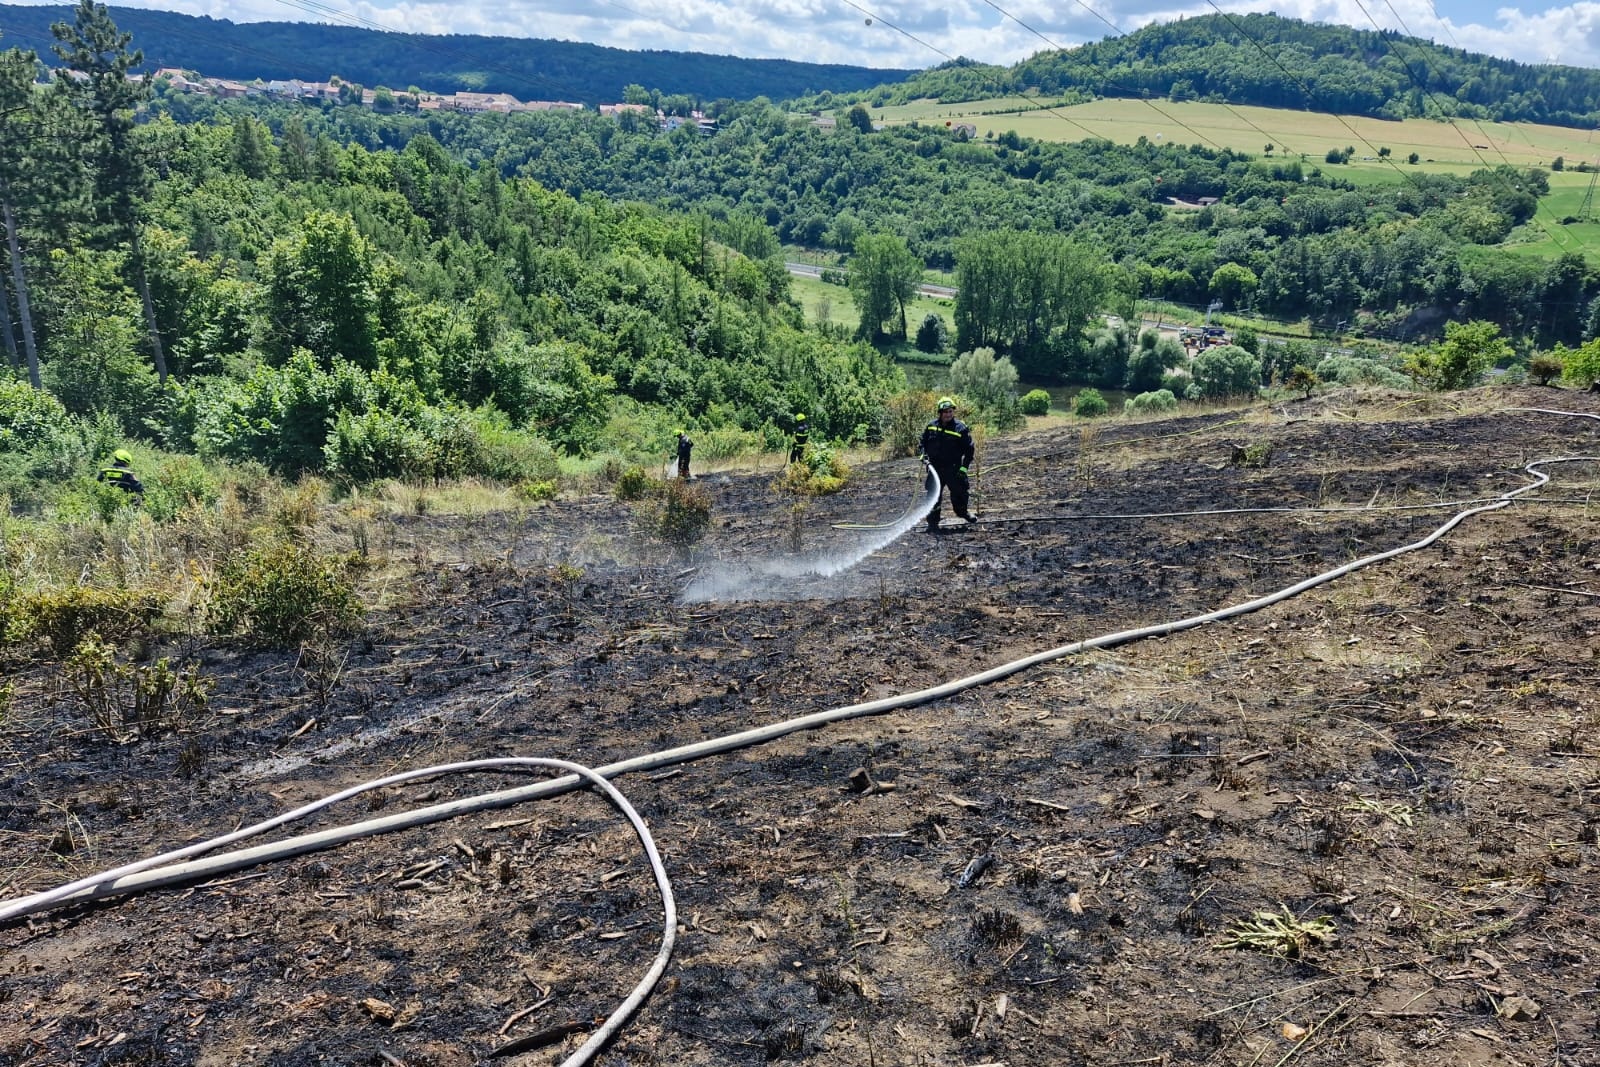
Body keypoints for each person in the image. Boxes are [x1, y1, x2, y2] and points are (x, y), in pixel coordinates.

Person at [918, 397, 974, 531]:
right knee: (933, 497)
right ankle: (932, 523)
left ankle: (963, 513)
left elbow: (970, 449)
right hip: (934, 469)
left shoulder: (960, 428)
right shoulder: (931, 426)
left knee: (959, 493)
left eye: (950, 411)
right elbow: (922, 442)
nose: (948, 414)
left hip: (954, 469)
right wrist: (923, 454)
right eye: (945, 412)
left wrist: (964, 468)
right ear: (940, 412)